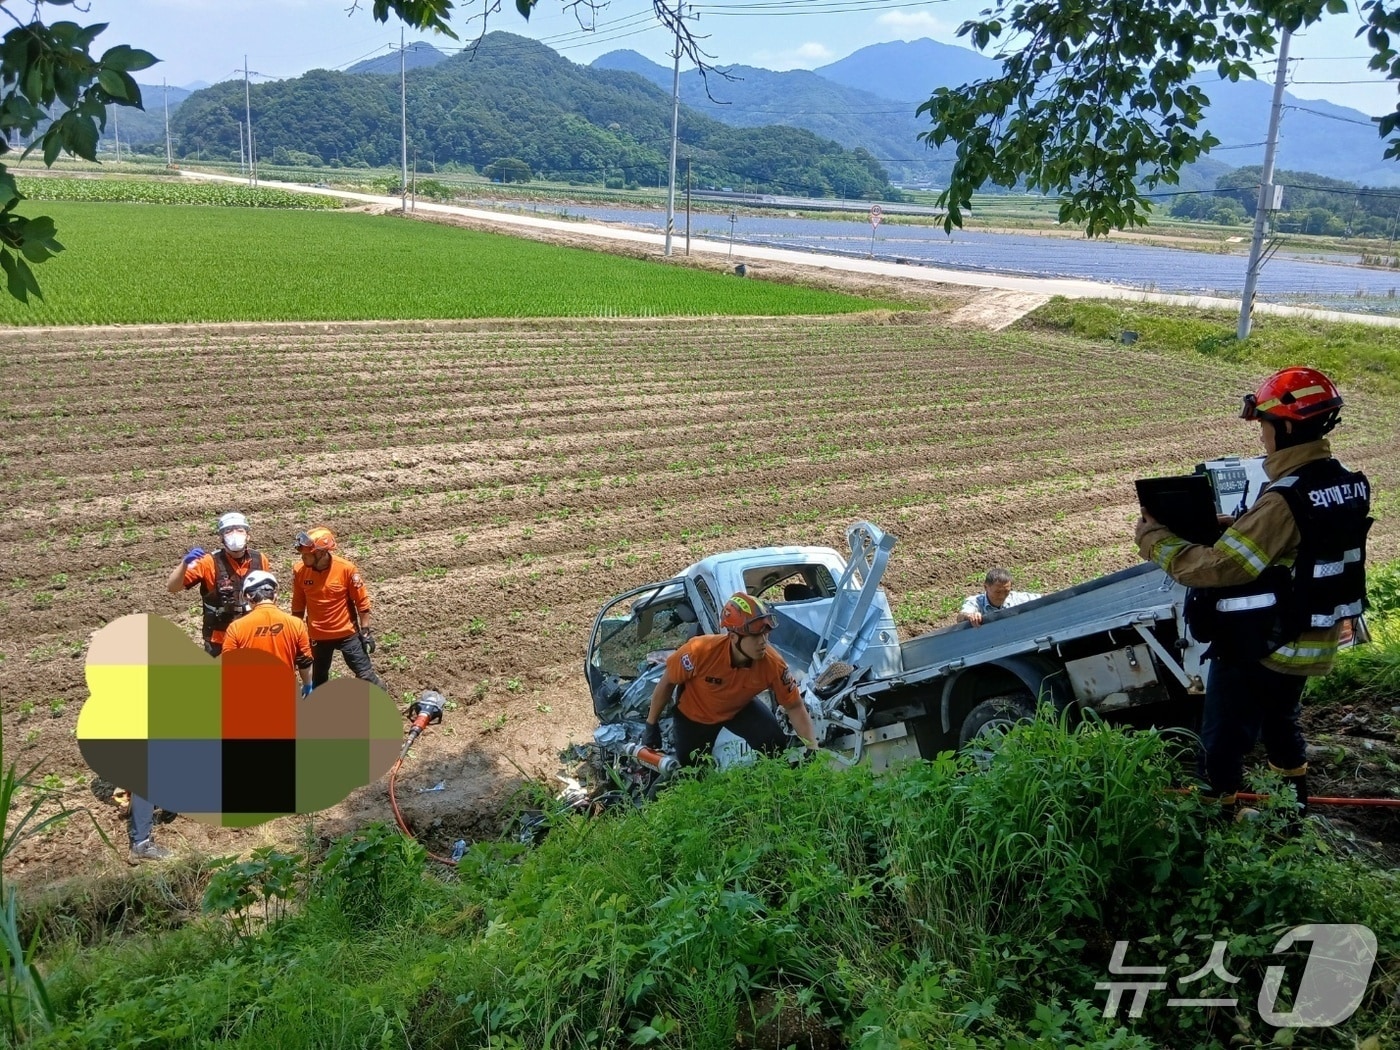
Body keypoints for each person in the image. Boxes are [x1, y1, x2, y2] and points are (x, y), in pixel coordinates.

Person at [1135, 366, 1371, 820]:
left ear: (1286, 428)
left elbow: (1222, 567)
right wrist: (1240, 525)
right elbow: (1300, 541)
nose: (1261, 434)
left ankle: (1214, 827)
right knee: (1282, 727)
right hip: (1308, 638)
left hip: (1264, 642)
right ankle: (1289, 819)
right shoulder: (1343, 481)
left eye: (1264, 423)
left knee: (1222, 742)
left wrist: (1155, 540)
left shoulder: (1284, 498)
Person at [641, 592, 818, 767]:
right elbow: (667, 683)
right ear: (733, 637)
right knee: (693, 771)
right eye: (755, 636)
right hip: (693, 716)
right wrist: (651, 724)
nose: (763, 641)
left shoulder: (773, 664)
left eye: (766, 634)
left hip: (738, 708)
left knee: (775, 744)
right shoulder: (698, 652)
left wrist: (812, 747)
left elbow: (794, 706)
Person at [290, 525, 387, 690]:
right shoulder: (300, 571)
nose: (303, 557)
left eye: (307, 554)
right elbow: (298, 605)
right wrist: (295, 636)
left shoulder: (346, 569)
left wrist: (365, 630)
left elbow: (361, 601)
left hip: (347, 634)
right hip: (317, 636)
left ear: (321, 553)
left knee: (366, 676)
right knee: (318, 682)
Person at [166, 511, 271, 656]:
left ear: (248, 535)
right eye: (228, 531)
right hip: (220, 638)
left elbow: (268, 596)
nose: (234, 534)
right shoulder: (208, 562)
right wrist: (184, 564)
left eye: (240, 530)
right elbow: (172, 587)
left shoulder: (260, 559)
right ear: (221, 537)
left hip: (252, 634)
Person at [222, 570, 315, 697]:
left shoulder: (236, 627)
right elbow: (304, 660)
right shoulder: (295, 624)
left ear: (248, 596)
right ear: (274, 594)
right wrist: (308, 685)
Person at [958, 568, 1042, 626]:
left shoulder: (1017, 598)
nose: (1002, 596)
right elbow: (961, 616)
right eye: (997, 592)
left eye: (1006, 591)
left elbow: (1044, 600)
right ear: (986, 587)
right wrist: (970, 616)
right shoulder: (975, 601)